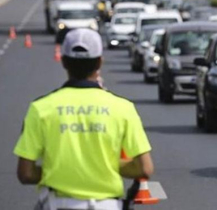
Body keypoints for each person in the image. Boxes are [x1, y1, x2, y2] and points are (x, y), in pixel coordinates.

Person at [14, 28, 153, 210]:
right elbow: (145, 168)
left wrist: (60, 170)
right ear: (100, 62)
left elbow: (25, 173)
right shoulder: (122, 108)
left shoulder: (41, 108)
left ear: (64, 62)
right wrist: (103, 166)